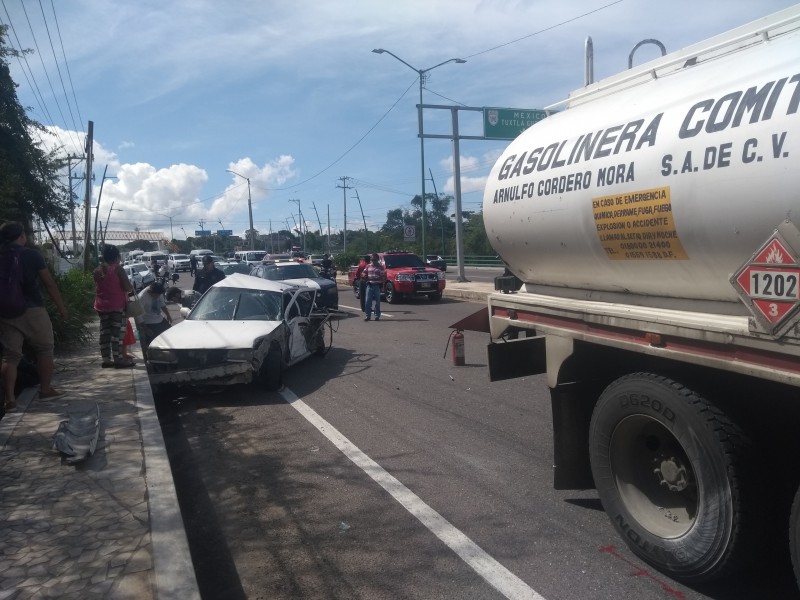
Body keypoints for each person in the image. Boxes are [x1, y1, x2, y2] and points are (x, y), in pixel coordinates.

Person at [0, 221, 68, 411]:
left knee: (10, 356)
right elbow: (49, 284)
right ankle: (45, 390)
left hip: (5, 312)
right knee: (45, 349)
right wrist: (62, 308)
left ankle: (9, 399)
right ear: (21, 236)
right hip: (33, 310)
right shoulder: (31, 255)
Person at [94, 245, 135, 368]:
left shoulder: (96, 271)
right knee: (117, 333)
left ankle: (106, 360)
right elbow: (127, 287)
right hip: (117, 306)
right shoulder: (118, 269)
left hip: (101, 306)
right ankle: (118, 359)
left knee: (105, 332)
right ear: (117, 257)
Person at [136, 282, 172, 354]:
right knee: (153, 342)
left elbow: (162, 304)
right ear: (151, 292)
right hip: (148, 322)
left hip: (159, 319)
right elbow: (138, 315)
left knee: (170, 334)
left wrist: (168, 315)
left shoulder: (158, 291)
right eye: (156, 295)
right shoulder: (142, 297)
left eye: (159, 295)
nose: (158, 296)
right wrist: (146, 328)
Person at [363, 253, 386, 321]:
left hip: (377, 286)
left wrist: (382, 285)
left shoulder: (380, 267)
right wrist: (364, 275)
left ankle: (377, 316)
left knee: (377, 302)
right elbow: (364, 273)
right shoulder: (368, 266)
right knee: (367, 301)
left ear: (377, 260)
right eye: (372, 259)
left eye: (375, 260)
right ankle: (368, 316)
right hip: (369, 285)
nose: (373, 261)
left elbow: (383, 277)